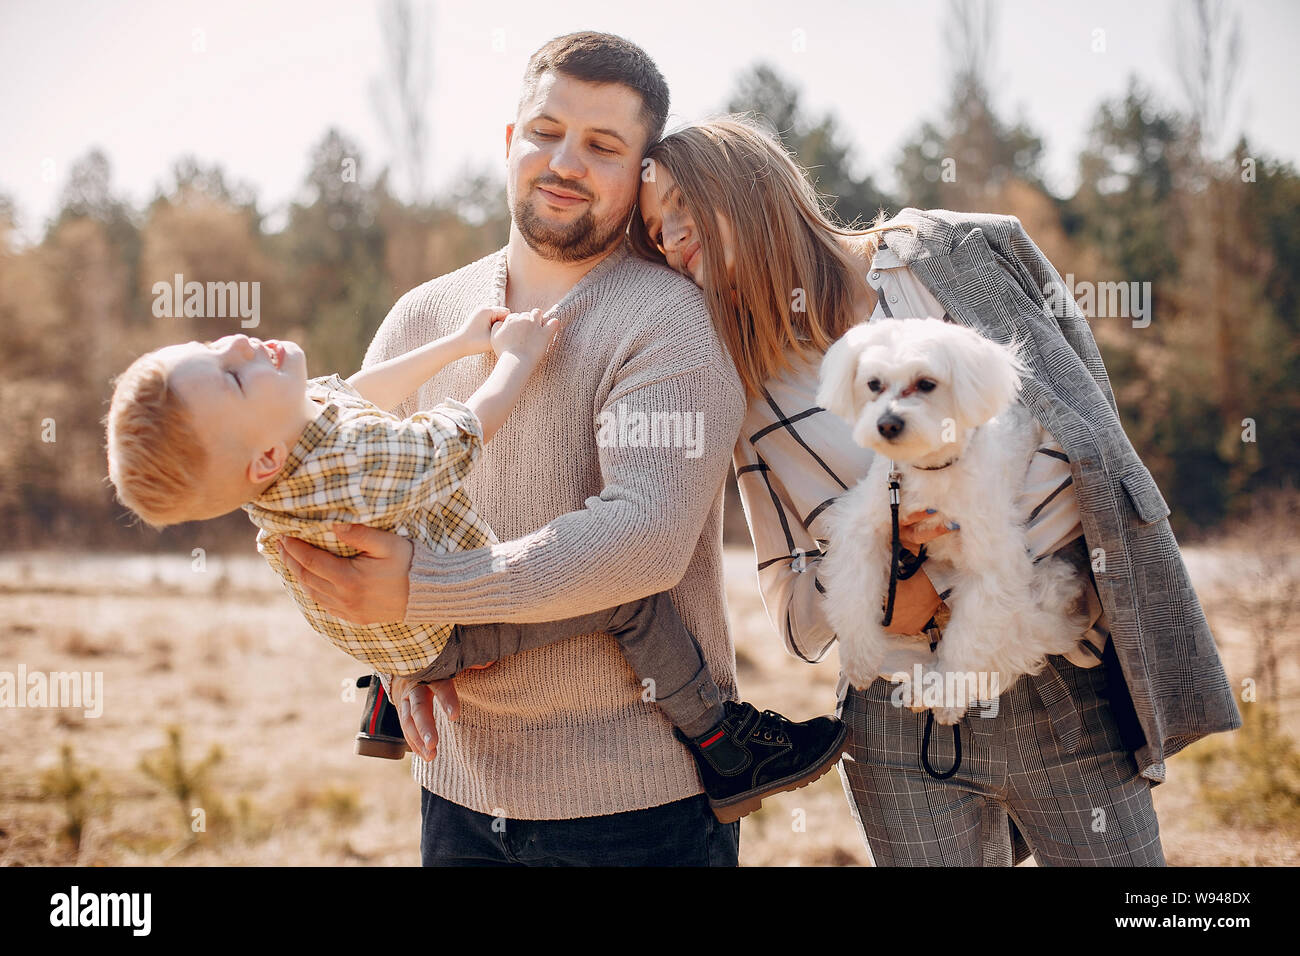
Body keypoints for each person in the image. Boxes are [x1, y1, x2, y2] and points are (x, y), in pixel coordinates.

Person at [274, 33, 845, 866]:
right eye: (546, 132)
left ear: (641, 170)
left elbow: (640, 541)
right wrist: (397, 652)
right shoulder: (423, 320)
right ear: (511, 142)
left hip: (639, 810)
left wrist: (422, 589)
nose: (565, 161)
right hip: (457, 795)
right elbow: (349, 502)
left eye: (604, 146)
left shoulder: (669, 321)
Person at [629, 116, 1242, 865]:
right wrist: (888, 591)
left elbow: (1095, 445)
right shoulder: (749, 387)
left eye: (682, 208)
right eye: (655, 230)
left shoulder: (958, 256)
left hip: (1065, 688)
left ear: (750, 185)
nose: (668, 237)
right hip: (898, 721)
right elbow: (794, 614)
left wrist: (981, 553)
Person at [104, 308, 845, 829]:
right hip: (449, 623)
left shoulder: (289, 441)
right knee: (632, 601)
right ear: (263, 458)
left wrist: (457, 342)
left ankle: (388, 690)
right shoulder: (350, 470)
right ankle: (726, 751)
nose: (238, 344)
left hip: (386, 618)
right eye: (231, 378)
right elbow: (457, 435)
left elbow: (356, 395)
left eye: (214, 348)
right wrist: (514, 358)